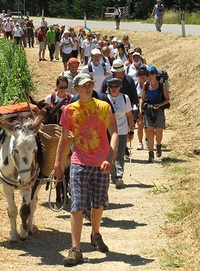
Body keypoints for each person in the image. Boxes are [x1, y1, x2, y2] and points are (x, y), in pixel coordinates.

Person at [54, 73, 119, 266]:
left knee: (98, 204)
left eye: (90, 84)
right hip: (79, 161)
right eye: (84, 85)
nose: (88, 87)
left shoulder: (103, 107)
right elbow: (64, 138)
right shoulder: (69, 110)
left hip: (101, 162)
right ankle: (76, 249)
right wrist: (57, 164)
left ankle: (95, 234)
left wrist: (110, 156)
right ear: (77, 89)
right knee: (77, 205)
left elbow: (114, 133)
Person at [106, 78, 134, 188]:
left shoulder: (125, 98)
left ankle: (119, 175)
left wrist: (131, 131)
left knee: (120, 153)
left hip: (122, 130)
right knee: (110, 153)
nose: (113, 89)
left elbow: (129, 116)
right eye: (111, 86)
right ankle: (112, 174)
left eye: (116, 86)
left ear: (120, 87)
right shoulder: (105, 98)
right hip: (108, 131)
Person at [139, 66, 170, 162]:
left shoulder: (162, 85)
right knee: (150, 132)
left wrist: (160, 105)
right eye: (147, 74)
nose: (149, 76)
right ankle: (151, 153)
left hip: (159, 110)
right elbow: (142, 99)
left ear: (155, 74)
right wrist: (141, 110)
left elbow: (167, 99)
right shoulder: (146, 85)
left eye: (151, 74)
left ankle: (159, 145)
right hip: (148, 110)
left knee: (159, 132)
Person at [135, 66, 148, 150]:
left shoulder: (149, 84)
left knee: (147, 125)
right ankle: (140, 142)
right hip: (137, 105)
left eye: (144, 74)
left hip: (147, 104)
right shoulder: (135, 84)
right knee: (140, 124)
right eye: (140, 74)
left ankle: (147, 139)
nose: (142, 76)